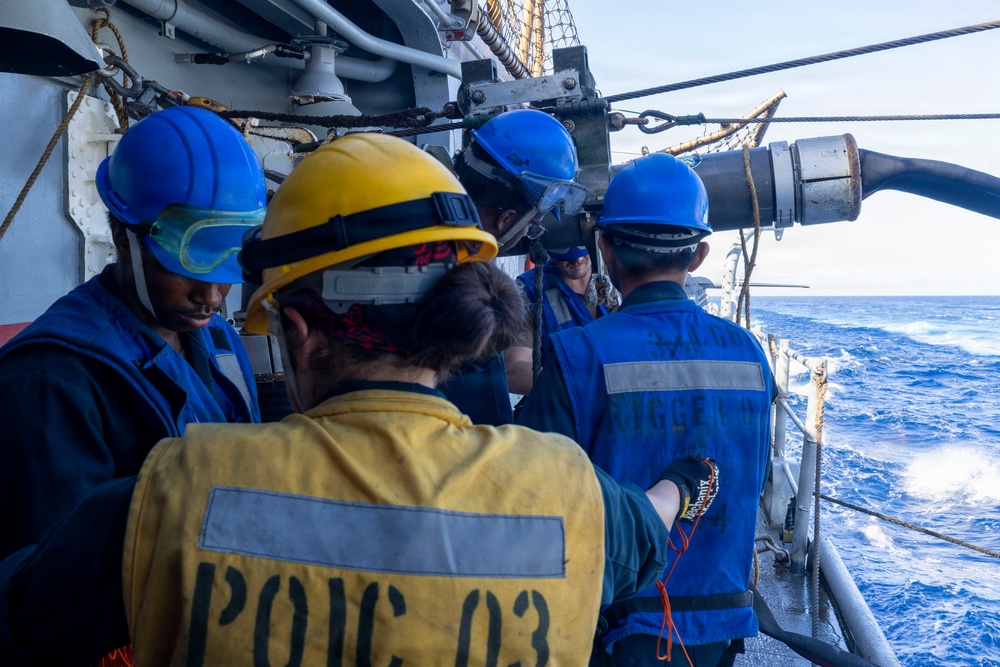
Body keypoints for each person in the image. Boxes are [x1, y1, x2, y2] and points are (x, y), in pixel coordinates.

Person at [0, 133, 720, 665]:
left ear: (301, 335)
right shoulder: (569, 490)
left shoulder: (164, 493)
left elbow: (28, 616)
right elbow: (648, 520)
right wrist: (686, 484)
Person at [517, 153, 776, 666]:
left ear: (605, 248)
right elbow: (756, 474)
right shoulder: (750, 353)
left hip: (615, 631)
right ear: (698, 255)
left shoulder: (577, 355)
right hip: (719, 629)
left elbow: (532, 504)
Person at [0, 105, 263, 560]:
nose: (213, 295)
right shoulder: (50, 382)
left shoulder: (217, 336)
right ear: (124, 238)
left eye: (225, 265)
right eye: (186, 266)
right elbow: (49, 584)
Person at [441, 108, 588, 424]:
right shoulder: (469, 298)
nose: (527, 233)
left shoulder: (429, 253)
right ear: (507, 219)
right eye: (531, 223)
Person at [505, 245, 610, 395]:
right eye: (564, 250)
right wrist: (581, 386)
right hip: (564, 409)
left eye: (581, 246)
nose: (578, 259)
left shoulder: (617, 277)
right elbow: (514, 370)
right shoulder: (528, 291)